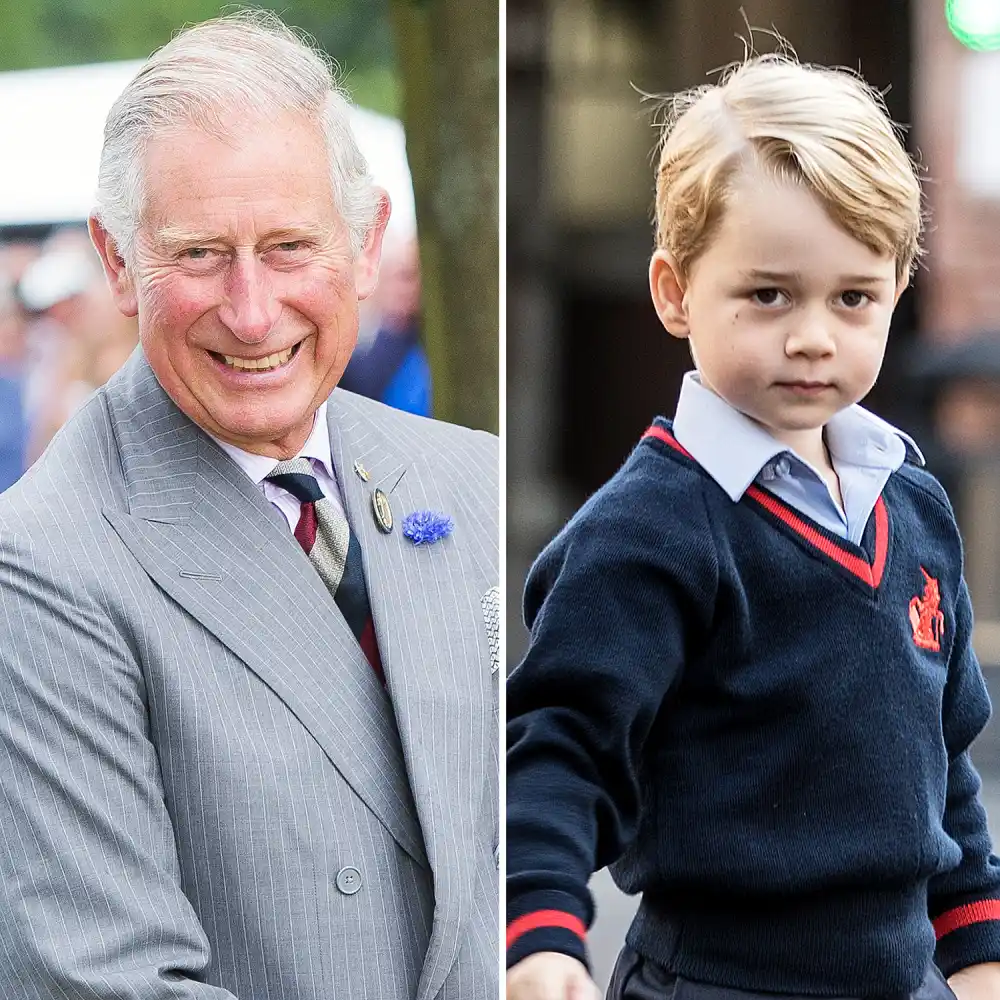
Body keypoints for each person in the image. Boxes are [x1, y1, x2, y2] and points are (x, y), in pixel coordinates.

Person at [0, 12, 498, 1000]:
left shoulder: (466, 476)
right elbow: (101, 980)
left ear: (367, 243)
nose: (253, 309)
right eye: (198, 254)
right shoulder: (42, 563)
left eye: (289, 246)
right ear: (116, 261)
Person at [506, 53, 1000, 1000]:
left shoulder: (915, 504)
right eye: (769, 294)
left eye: (852, 297)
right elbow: (560, 746)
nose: (813, 335)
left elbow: (945, 769)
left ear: (899, 289)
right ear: (675, 290)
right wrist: (540, 935)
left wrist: (977, 951)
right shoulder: (648, 530)